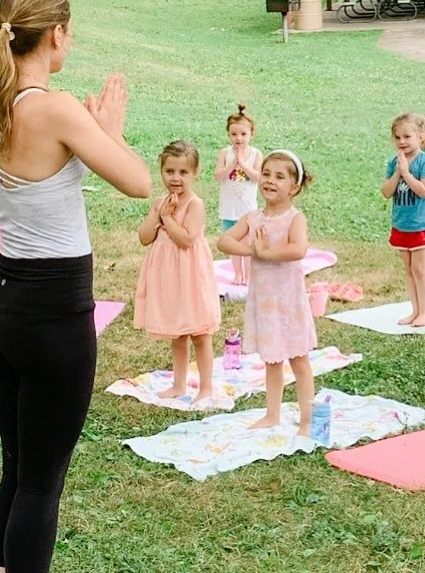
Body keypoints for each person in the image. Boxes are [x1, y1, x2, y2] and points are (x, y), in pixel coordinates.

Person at [0, 0, 152, 573]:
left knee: (18, 466)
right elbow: (137, 181)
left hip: (3, 299)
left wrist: (92, 132)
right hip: (50, 309)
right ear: (55, 36)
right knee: (42, 475)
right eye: (70, 33)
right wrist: (107, 129)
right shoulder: (54, 107)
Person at [217, 150, 317, 436]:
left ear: (294, 187)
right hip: (265, 303)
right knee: (272, 360)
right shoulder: (253, 217)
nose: (271, 181)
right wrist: (253, 250)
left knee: (298, 360)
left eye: (280, 176)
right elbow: (225, 241)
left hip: (290, 302)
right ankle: (272, 414)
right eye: (267, 174)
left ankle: (307, 419)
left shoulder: (295, 218)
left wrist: (268, 253)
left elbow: (298, 249)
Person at [135, 140, 221, 402]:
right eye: (169, 171)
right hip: (170, 277)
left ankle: (206, 386)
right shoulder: (160, 203)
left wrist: (169, 219)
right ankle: (179, 384)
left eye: (183, 172)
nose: (176, 178)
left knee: (199, 332)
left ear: (194, 173)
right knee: (178, 332)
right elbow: (144, 237)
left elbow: (186, 239)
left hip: (191, 275)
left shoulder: (195, 204)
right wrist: (157, 215)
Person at [381, 113, 425, 327]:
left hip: (420, 225)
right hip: (401, 224)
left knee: (420, 269)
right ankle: (415, 311)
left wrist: (407, 173)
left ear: (420, 137)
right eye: (397, 137)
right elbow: (386, 192)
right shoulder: (394, 163)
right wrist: (398, 172)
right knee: (409, 270)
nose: (402, 141)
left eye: (407, 136)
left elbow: (424, 190)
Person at [214, 104, 262, 285]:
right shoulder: (224, 153)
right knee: (232, 243)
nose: (238, 138)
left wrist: (243, 163)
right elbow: (218, 176)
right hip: (229, 209)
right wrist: (233, 163)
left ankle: (249, 275)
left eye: (243, 134)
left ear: (251, 134)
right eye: (234, 134)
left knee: (248, 243)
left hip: (247, 210)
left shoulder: (256, 154)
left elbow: (258, 178)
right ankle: (237, 274)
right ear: (228, 134)